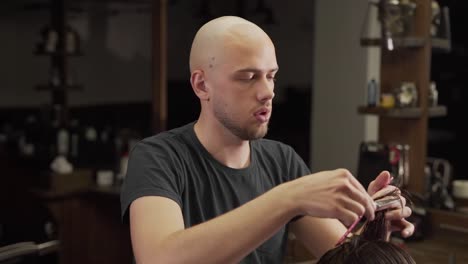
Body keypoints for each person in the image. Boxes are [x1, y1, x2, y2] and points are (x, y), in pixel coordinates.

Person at [120, 16, 414, 264]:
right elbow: (159, 258)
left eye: (271, 76)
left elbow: (341, 256)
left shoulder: (281, 161)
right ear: (202, 84)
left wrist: (372, 234)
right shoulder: (158, 158)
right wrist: (288, 198)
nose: (267, 92)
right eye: (248, 77)